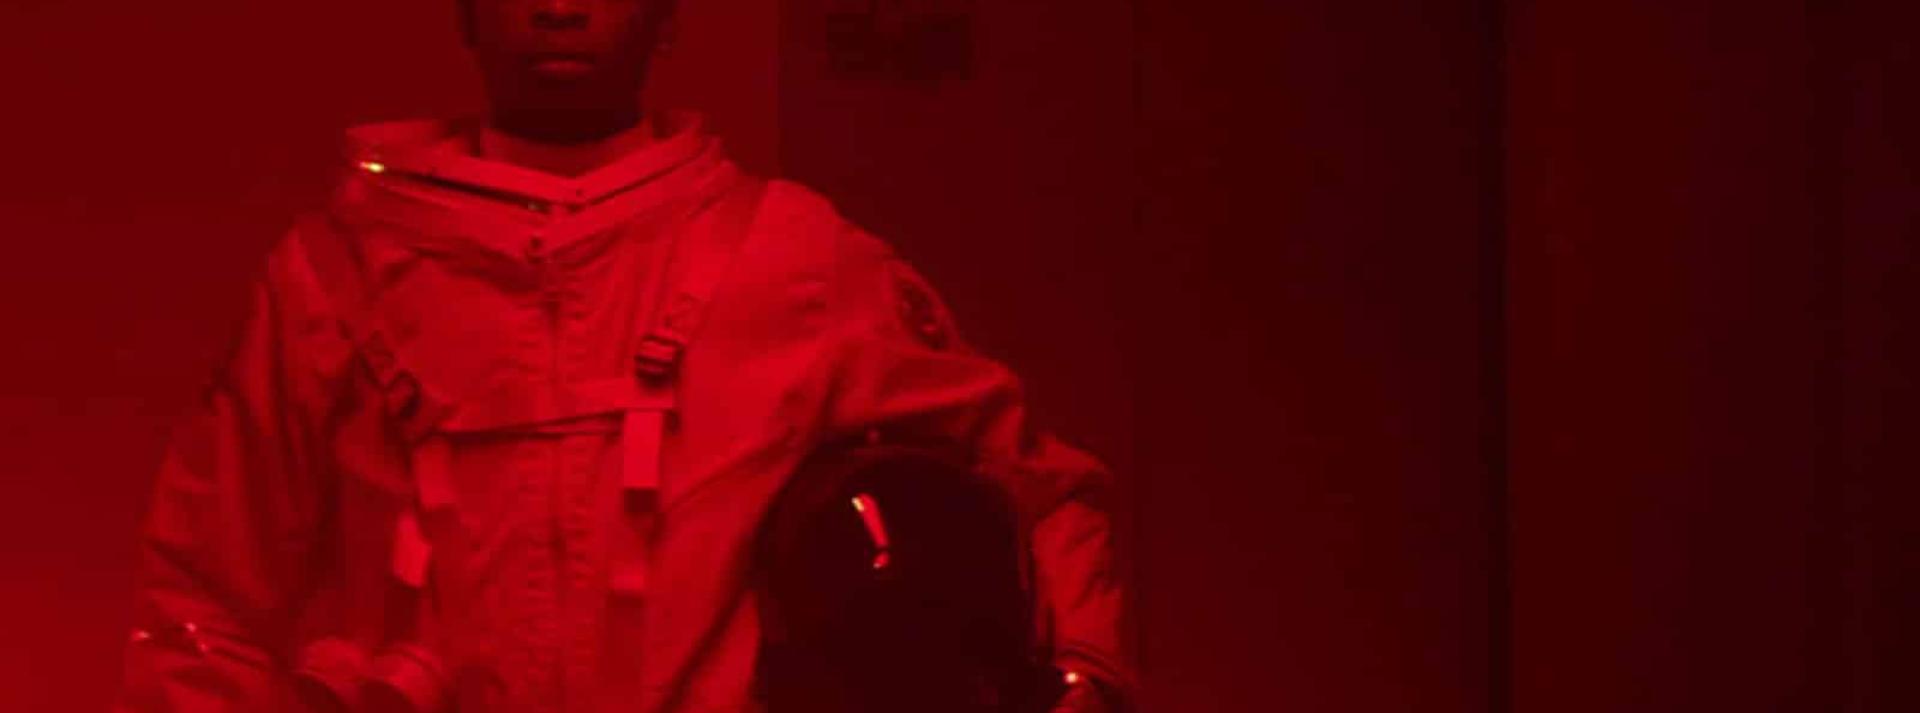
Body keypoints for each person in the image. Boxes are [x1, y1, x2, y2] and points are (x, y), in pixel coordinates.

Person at [115, 1, 1129, 712]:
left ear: (668, 14)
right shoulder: (338, 272)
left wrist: (1083, 672)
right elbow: (203, 596)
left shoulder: (791, 260)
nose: (560, 8)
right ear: (465, 11)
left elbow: (1034, 482)